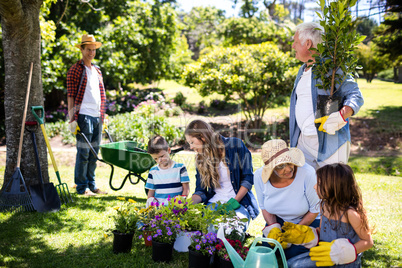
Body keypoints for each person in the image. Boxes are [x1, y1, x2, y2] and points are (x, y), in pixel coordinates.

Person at [290, 22, 364, 169]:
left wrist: (341, 116)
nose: (293, 46)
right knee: (307, 189)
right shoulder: (302, 70)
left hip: (330, 144)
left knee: (332, 190)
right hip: (304, 143)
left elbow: (355, 95)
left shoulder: (332, 68)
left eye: (296, 42)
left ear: (308, 44)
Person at [284, 163, 373, 268]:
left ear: (335, 187)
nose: (314, 187)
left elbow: (368, 242)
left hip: (344, 262)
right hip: (325, 256)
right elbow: (322, 231)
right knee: (290, 264)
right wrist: (306, 235)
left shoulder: (351, 214)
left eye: (319, 184)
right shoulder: (324, 205)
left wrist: (340, 253)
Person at [184, 120, 259, 229]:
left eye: (191, 142)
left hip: (239, 202)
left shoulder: (235, 146)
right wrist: (186, 205)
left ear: (202, 137)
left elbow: (248, 179)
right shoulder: (200, 159)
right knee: (210, 229)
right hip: (214, 203)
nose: (190, 147)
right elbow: (201, 190)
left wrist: (233, 203)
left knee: (233, 229)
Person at [254, 139, 320, 260]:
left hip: (308, 220)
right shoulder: (259, 176)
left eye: (290, 162)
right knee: (268, 249)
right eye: (281, 166)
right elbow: (264, 207)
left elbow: (315, 209)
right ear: (271, 169)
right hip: (279, 221)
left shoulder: (307, 173)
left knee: (290, 253)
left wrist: (296, 230)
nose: (289, 169)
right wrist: (273, 227)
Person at [67, 34, 107, 196]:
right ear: (82, 49)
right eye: (88, 50)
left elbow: (100, 94)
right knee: (83, 152)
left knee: (94, 152)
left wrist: (103, 117)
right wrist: (71, 118)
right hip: (83, 115)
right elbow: (70, 95)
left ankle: (92, 184)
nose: (91, 53)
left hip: (97, 116)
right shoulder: (75, 69)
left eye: (93, 50)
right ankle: (81, 187)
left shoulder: (97, 70)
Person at [145, 135, 190, 207]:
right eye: (155, 159)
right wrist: (150, 206)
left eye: (162, 156)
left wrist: (181, 202)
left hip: (176, 209)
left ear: (169, 150)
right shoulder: (153, 172)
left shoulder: (180, 168)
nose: (159, 160)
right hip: (159, 211)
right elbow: (151, 193)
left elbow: (186, 189)